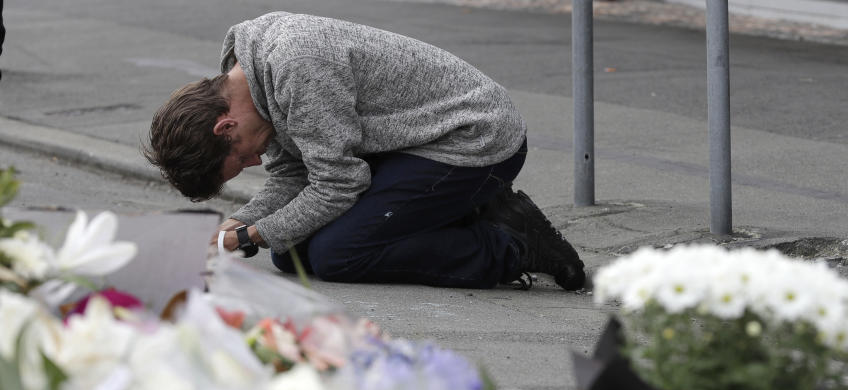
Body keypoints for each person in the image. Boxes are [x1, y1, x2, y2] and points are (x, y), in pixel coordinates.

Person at [144, 11, 586, 291]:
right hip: (407, 144)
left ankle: (511, 243)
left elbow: (337, 183)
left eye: (240, 158)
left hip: (473, 139)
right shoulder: (250, 83)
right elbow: (292, 178)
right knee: (291, 252)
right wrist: (242, 222)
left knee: (338, 254)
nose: (254, 162)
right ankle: (468, 210)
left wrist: (248, 237)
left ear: (225, 125)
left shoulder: (298, 68)